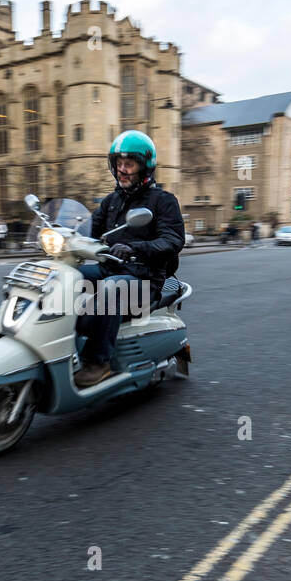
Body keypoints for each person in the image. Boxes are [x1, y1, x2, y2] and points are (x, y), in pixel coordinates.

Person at [73, 130, 184, 388]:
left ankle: (98, 363)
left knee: (114, 289)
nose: (122, 169)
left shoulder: (163, 201)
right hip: (109, 269)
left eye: (129, 164)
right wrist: (62, 234)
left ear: (145, 166)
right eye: (118, 163)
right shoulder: (111, 201)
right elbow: (89, 229)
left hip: (145, 280)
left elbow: (172, 240)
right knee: (64, 277)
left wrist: (134, 248)